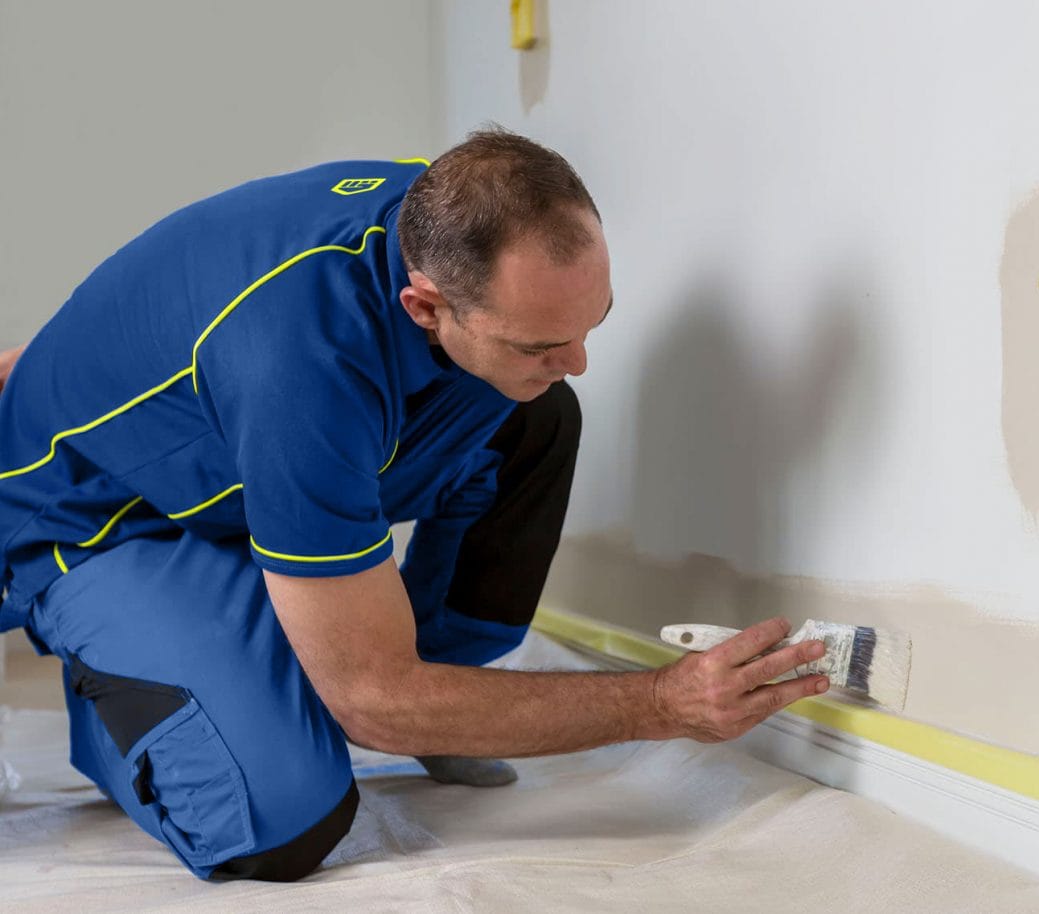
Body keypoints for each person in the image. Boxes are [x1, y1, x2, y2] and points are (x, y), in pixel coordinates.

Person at [0, 128, 828, 881]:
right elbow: (369, 700)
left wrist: (424, 696)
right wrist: (659, 705)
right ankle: (123, 699)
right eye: (541, 341)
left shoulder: (451, 215)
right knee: (281, 821)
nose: (579, 359)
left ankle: (439, 697)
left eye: (593, 322)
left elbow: (526, 370)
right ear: (424, 304)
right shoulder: (301, 369)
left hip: (230, 457)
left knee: (534, 415)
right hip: (105, 518)